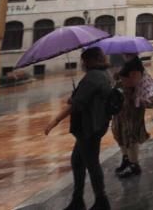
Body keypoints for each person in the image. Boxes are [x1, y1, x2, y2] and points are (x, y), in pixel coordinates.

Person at [44, 47, 113, 210]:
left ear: (92, 60)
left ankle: (101, 201)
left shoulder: (93, 77)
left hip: (88, 127)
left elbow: (76, 104)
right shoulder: (104, 74)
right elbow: (87, 97)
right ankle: (78, 199)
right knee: (77, 160)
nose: (83, 63)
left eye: (85, 60)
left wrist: (55, 121)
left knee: (92, 163)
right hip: (95, 125)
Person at [112, 57, 153, 178]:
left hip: (133, 111)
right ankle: (126, 159)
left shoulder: (142, 78)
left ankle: (134, 165)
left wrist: (145, 99)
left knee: (131, 136)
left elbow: (152, 95)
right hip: (121, 110)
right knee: (120, 133)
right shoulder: (126, 66)